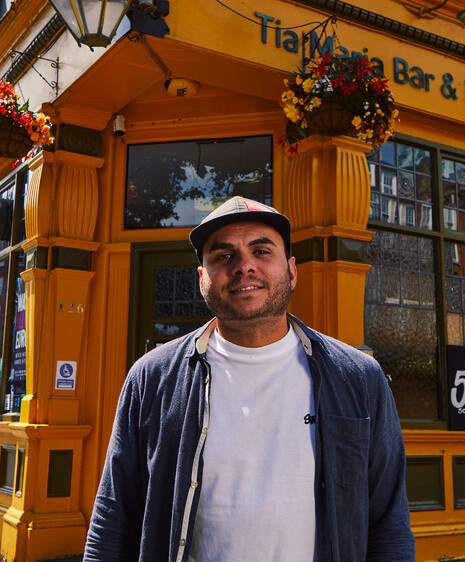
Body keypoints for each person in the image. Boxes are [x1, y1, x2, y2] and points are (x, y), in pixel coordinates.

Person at [84, 196, 415, 561]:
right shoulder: (152, 378)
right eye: (223, 256)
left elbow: (388, 521)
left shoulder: (357, 378)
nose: (244, 266)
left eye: (261, 251)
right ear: (202, 279)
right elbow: (113, 518)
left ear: (291, 271)